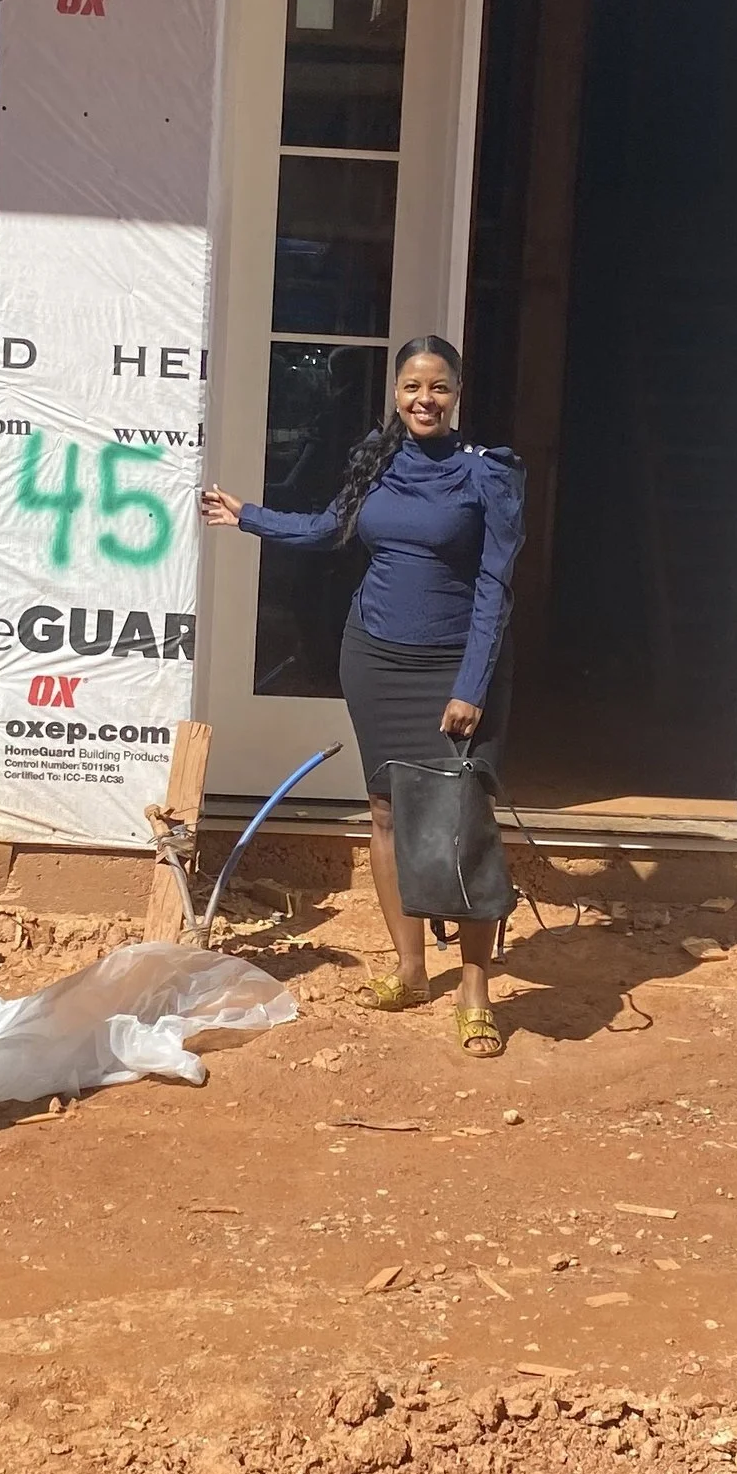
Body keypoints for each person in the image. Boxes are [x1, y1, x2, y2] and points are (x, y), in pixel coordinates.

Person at [202, 337, 523, 1054]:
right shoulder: (378, 460)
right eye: (412, 386)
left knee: (461, 822)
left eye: (438, 387)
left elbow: (496, 589)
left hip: (453, 666)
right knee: (384, 810)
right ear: (397, 391)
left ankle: (474, 989)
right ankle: (410, 968)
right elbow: (326, 528)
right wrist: (247, 514)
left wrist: (470, 686)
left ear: (458, 392)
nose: (424, 400)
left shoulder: (487, 477)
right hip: (374, 658)